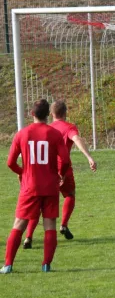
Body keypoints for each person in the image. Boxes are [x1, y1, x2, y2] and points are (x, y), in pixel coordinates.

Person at [2, 99, 71, 274]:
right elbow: (65, 160)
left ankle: (8, 265)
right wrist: (60, 175)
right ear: (48, 115)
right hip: (50, 187)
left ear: (32, 114)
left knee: (19, 224)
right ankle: (46, 264)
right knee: (50, 225)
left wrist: (22, 172)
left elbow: (10, 162)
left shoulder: (22, 134)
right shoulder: (54, 134)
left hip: (29, 187)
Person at [23, 100, 97, 249]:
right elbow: (76, 139)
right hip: (63, 168)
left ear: (51, 114)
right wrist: (89, 157)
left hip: (46, 170)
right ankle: (63, 225)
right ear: (66, 112)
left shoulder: (47, 128)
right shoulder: (69, 127)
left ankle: (28, 237)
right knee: (70, 194)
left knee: (38, 204)